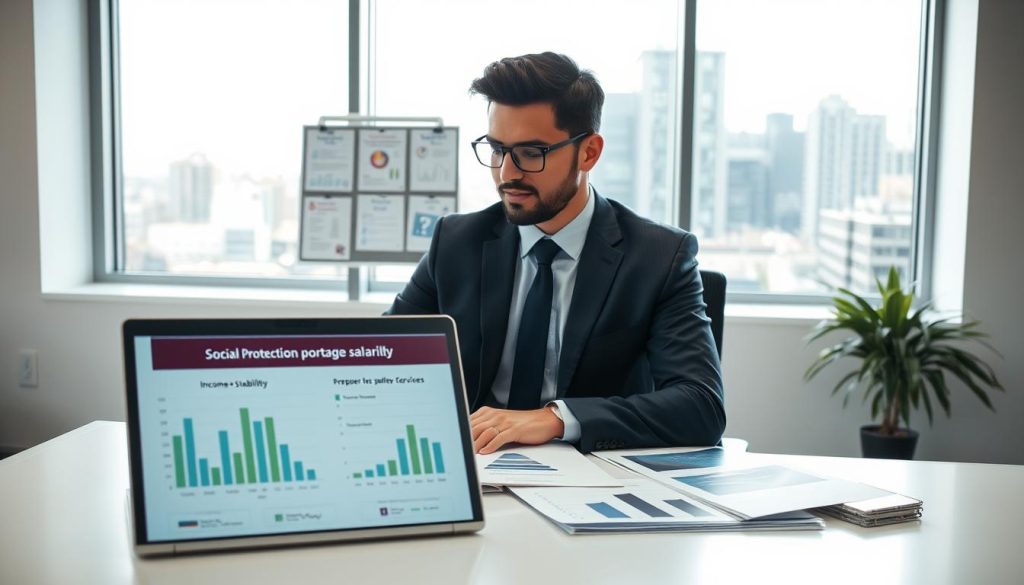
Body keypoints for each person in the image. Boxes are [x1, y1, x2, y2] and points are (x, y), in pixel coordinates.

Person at [387, 52, 724, 454]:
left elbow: (700, 407)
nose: (507, 173)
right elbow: (385, 359)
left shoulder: (658, 257)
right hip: (479, 464)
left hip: (592, 475)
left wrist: (554, 419)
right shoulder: (456, 241)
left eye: (531, 153)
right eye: (497, 149)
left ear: (589, 153)